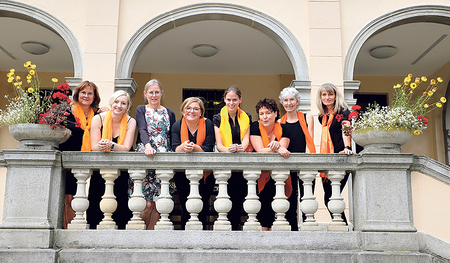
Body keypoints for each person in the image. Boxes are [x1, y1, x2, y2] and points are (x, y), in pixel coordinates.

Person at [59, 80, 108, 229]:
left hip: (92, 158)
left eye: (90, 93)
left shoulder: (99, 114)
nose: (86, 96)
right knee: (70, 197)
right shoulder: (67, 112)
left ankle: (92, 225)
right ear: (77, 94)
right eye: (83, 92)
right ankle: (70, 229)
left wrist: (109, 113)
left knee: (96, 194)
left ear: (94, 97)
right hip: (70, 159)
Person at [130, 79, 176, 230]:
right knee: (146, 204)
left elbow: (172, 136)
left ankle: (152, 236)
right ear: (145, 94)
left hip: (164, 157)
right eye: (151, 92)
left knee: (159, 205)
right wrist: (148, 147)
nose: (154, 95)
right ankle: (139, 236)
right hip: (146, 154)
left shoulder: (169, 112)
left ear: (162, 93)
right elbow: (142, 129)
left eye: (157, 92)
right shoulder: (141, 109)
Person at [88, 90, 137, 229]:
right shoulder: (98, 119)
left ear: (127, 107)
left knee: (120, 199)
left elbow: (126, 147)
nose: (119, 106)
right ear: (111, 103)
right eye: (116, 102)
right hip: (101, 166)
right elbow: (94, 146)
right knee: (97, 197)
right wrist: (103, 146)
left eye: (123, 103)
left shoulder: (130, 121)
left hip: (122, 168)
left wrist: (111, 145)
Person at [171, 97, 215, 229]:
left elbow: (209, 148)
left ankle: (201, 237)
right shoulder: (176, 126)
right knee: (185, 206)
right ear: (183, 111)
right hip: (182, 174)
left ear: (201, 112)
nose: (192, 111)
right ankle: (186, 236)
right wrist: (183, 147)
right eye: (188, 108)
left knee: (202, 207)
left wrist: (194, 147)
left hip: (205, 175)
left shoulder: (208, 125)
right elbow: (174, 148)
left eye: (196, 109)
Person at [213, 85, 252, 230]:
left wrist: (241, 147)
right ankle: (226, 229)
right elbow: (219, 145)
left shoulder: (247, 117)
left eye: (234, 99)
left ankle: (236, 229)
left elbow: (247, 140)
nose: (231, 103)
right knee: (225, 198)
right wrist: (229, 149)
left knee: (240, 197)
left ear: (240, 100)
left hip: (241, 162)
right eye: (228, 99)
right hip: (226, 163)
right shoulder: (217, 118)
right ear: (224, 100)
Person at [249, 98, 290, 231]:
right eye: (261, 114)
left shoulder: (285, 128)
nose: (264, 117)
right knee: (263, 206)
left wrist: (279, 147)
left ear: (276, 113)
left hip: (279, 174)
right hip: (259, 174)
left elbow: (284, 150)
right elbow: (260, 150)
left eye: (268, 113)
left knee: (282, 207)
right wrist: (276, 148)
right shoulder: (255, 126)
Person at [279, 87, 315, 230]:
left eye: (292, 100)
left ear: (297, 101)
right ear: (282, 103)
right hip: (287, 163)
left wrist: (305, 162)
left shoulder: (307, 117)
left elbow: (309, 141)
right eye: (286, 100)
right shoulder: (279, 122)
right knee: (290, 197)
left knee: (306, 195)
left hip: (304, 162)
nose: (289, 103)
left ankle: (307, 226)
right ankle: (293, 228)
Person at [316, 83, 353, 224]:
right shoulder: (322, 117)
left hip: (341, 157)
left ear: (336, 95)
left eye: (330, 94)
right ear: (320, 97)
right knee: (328, 197)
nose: (327, 97)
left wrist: (347, 146)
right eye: (324, 94)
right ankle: (342, 225)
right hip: (328, 160)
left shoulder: (343, 112)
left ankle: (343, 226)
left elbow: (346, 130)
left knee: (332, 195)